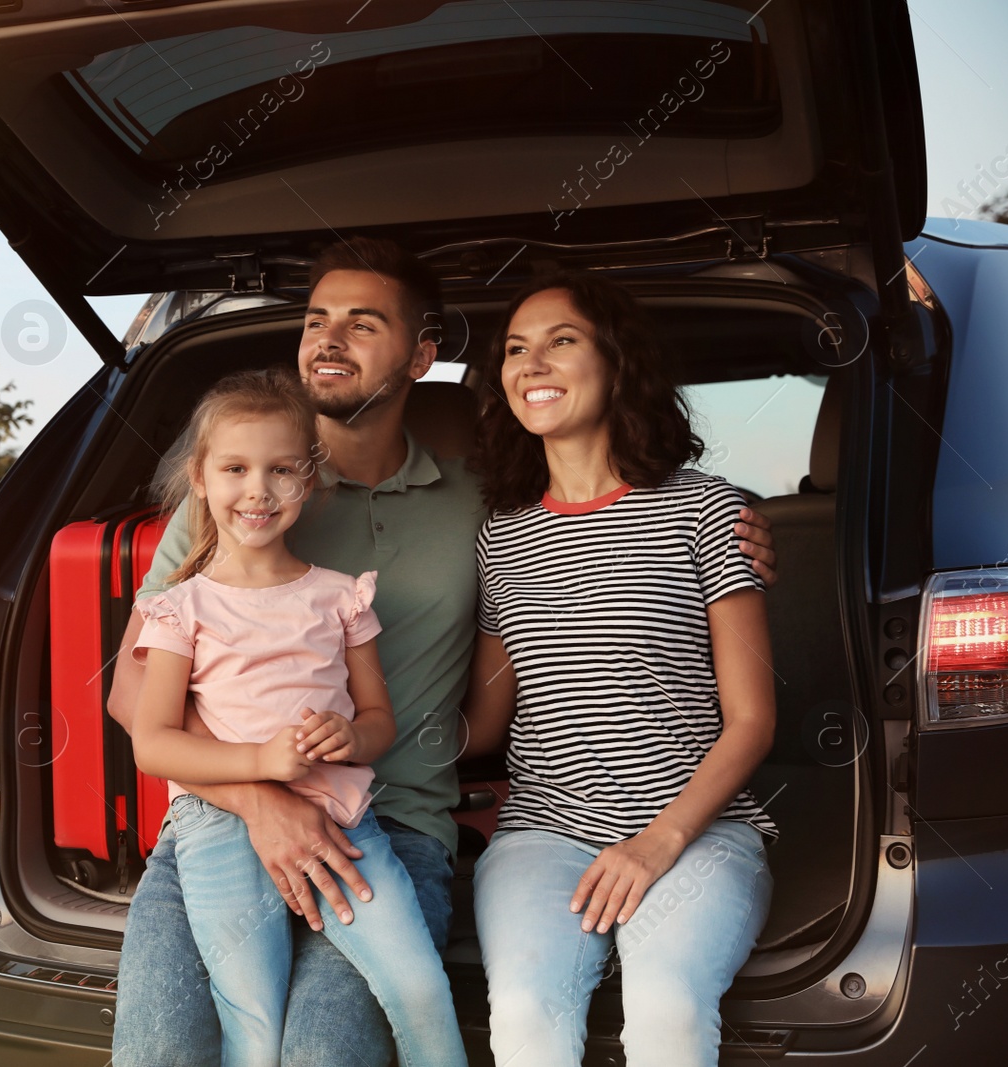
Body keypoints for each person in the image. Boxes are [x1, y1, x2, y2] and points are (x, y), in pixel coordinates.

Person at [106, 237, 780, 1067]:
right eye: (317, 320)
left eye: (361, 324)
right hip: (219, 817)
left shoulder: (481, 507)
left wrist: (738, 536)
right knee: (160, 1055)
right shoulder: (246, 489)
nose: (328, 339)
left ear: (424, 355)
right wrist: (258, 797)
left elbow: (585, 569)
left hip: (390, 827)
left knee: (325, 1054)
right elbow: (131, 695)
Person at [460, 270, 778, 1067]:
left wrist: (656, 843)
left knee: (667, 1003)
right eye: (515, 350)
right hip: (545, 827)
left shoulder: (704, 508)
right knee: (530, 1011)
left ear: (616, 362)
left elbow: (753, 720)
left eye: (561, 341)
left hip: (698, 828)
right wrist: (362, 729)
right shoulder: (500, 537)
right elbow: (487, 722)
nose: (533, 363)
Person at [129, 367, 467, 1067]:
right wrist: (260, 766)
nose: (258, 489)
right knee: (250, 1023)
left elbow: (378, 719)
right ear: (201, 477)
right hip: (218, 827)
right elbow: (152, 741)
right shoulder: (181, 607)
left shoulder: (341, 597)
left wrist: (352, 735)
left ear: (309, 482)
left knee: (417, 986)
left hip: (347, 821)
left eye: (282, 469)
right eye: (236, 468)